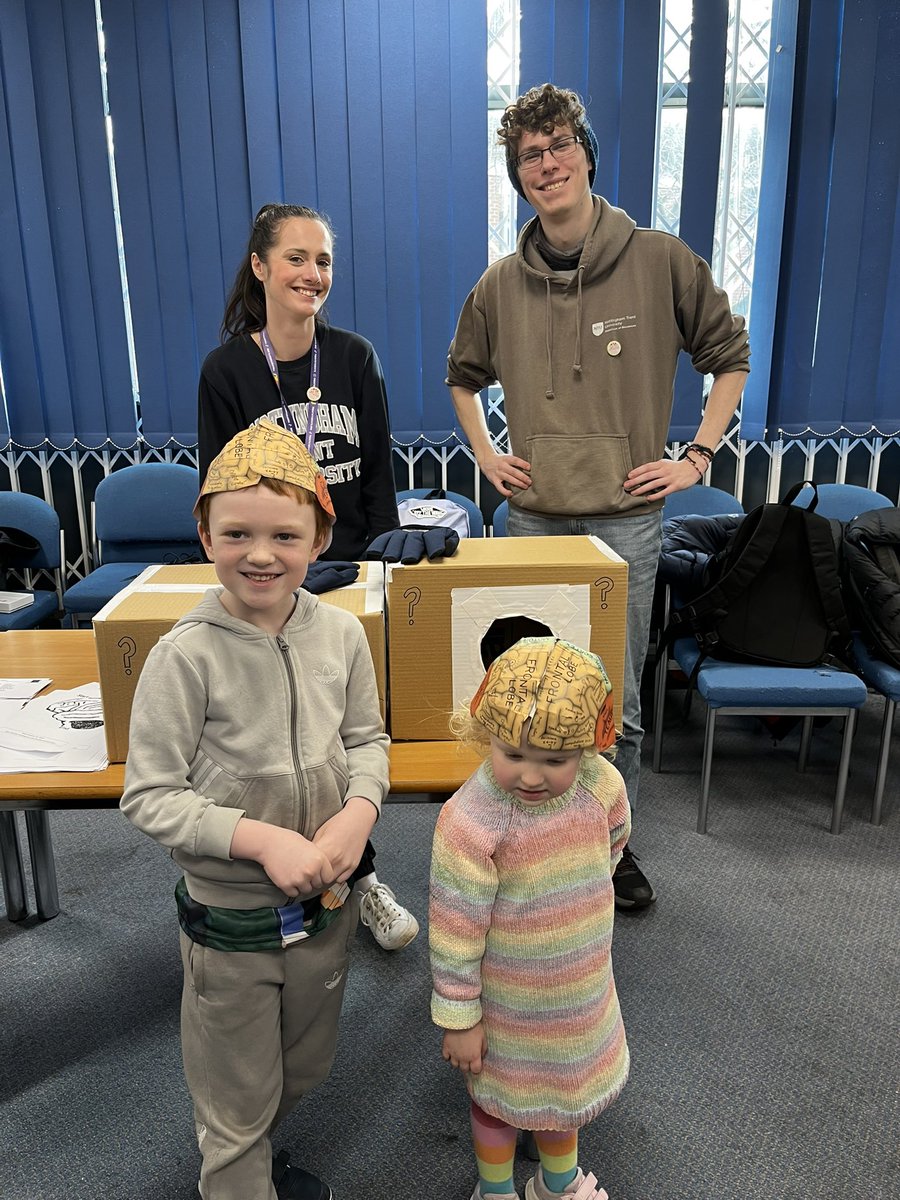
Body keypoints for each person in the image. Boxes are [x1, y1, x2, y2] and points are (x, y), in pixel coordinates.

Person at [446, 83, 751, 912]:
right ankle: (524, 843)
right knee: (520, 693)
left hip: (628, 523)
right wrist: (486, 455)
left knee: (614, 698)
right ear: (518, 177)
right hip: (534, 517)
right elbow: (461, 378)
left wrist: (696, 456)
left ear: (584, 152)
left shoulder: (658, 259)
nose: (546, 166)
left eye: (557, 148)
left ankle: (612, 851)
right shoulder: (501, 282)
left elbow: (730, 355)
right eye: (529, 157)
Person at [121, 420, 390, 1200]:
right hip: (232, 925)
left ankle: (254, 1161)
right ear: (205, 533)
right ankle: (237, 1178)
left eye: (284, 533)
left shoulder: (341, 634)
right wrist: (260, 839)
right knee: (235, 1102)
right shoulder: (185, 655)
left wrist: (358, 814)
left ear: (319, 535)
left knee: (300, 1068)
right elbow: (150, 793)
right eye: (236, 532)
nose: (261, 553)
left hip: (326, 913)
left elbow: (369, 739)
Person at [199, 202, 416, 950]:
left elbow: (379, 467)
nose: (311, 274)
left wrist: (385, 551)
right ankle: (309, 875)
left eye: (322, 260)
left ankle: (358, 878)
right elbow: (221, 487)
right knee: (285, 738)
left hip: (350, 572)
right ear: (260, 267)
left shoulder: (353, 357)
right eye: (295, 258)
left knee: (344, 738)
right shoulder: (227, 369)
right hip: (271, 579)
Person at [430, 637, 629, 1200]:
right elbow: (454, 926)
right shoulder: (470, 820)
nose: (533, 776)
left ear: (589, 748)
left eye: (555, 760)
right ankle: (494, 1191)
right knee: (497, 1099)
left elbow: (613, 846)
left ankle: (556, 1184)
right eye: (513, 755)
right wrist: (459, 1017)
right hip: (505, 999)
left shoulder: (603, 787)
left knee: (563, 1093)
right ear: (485, 734)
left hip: (579, 987)